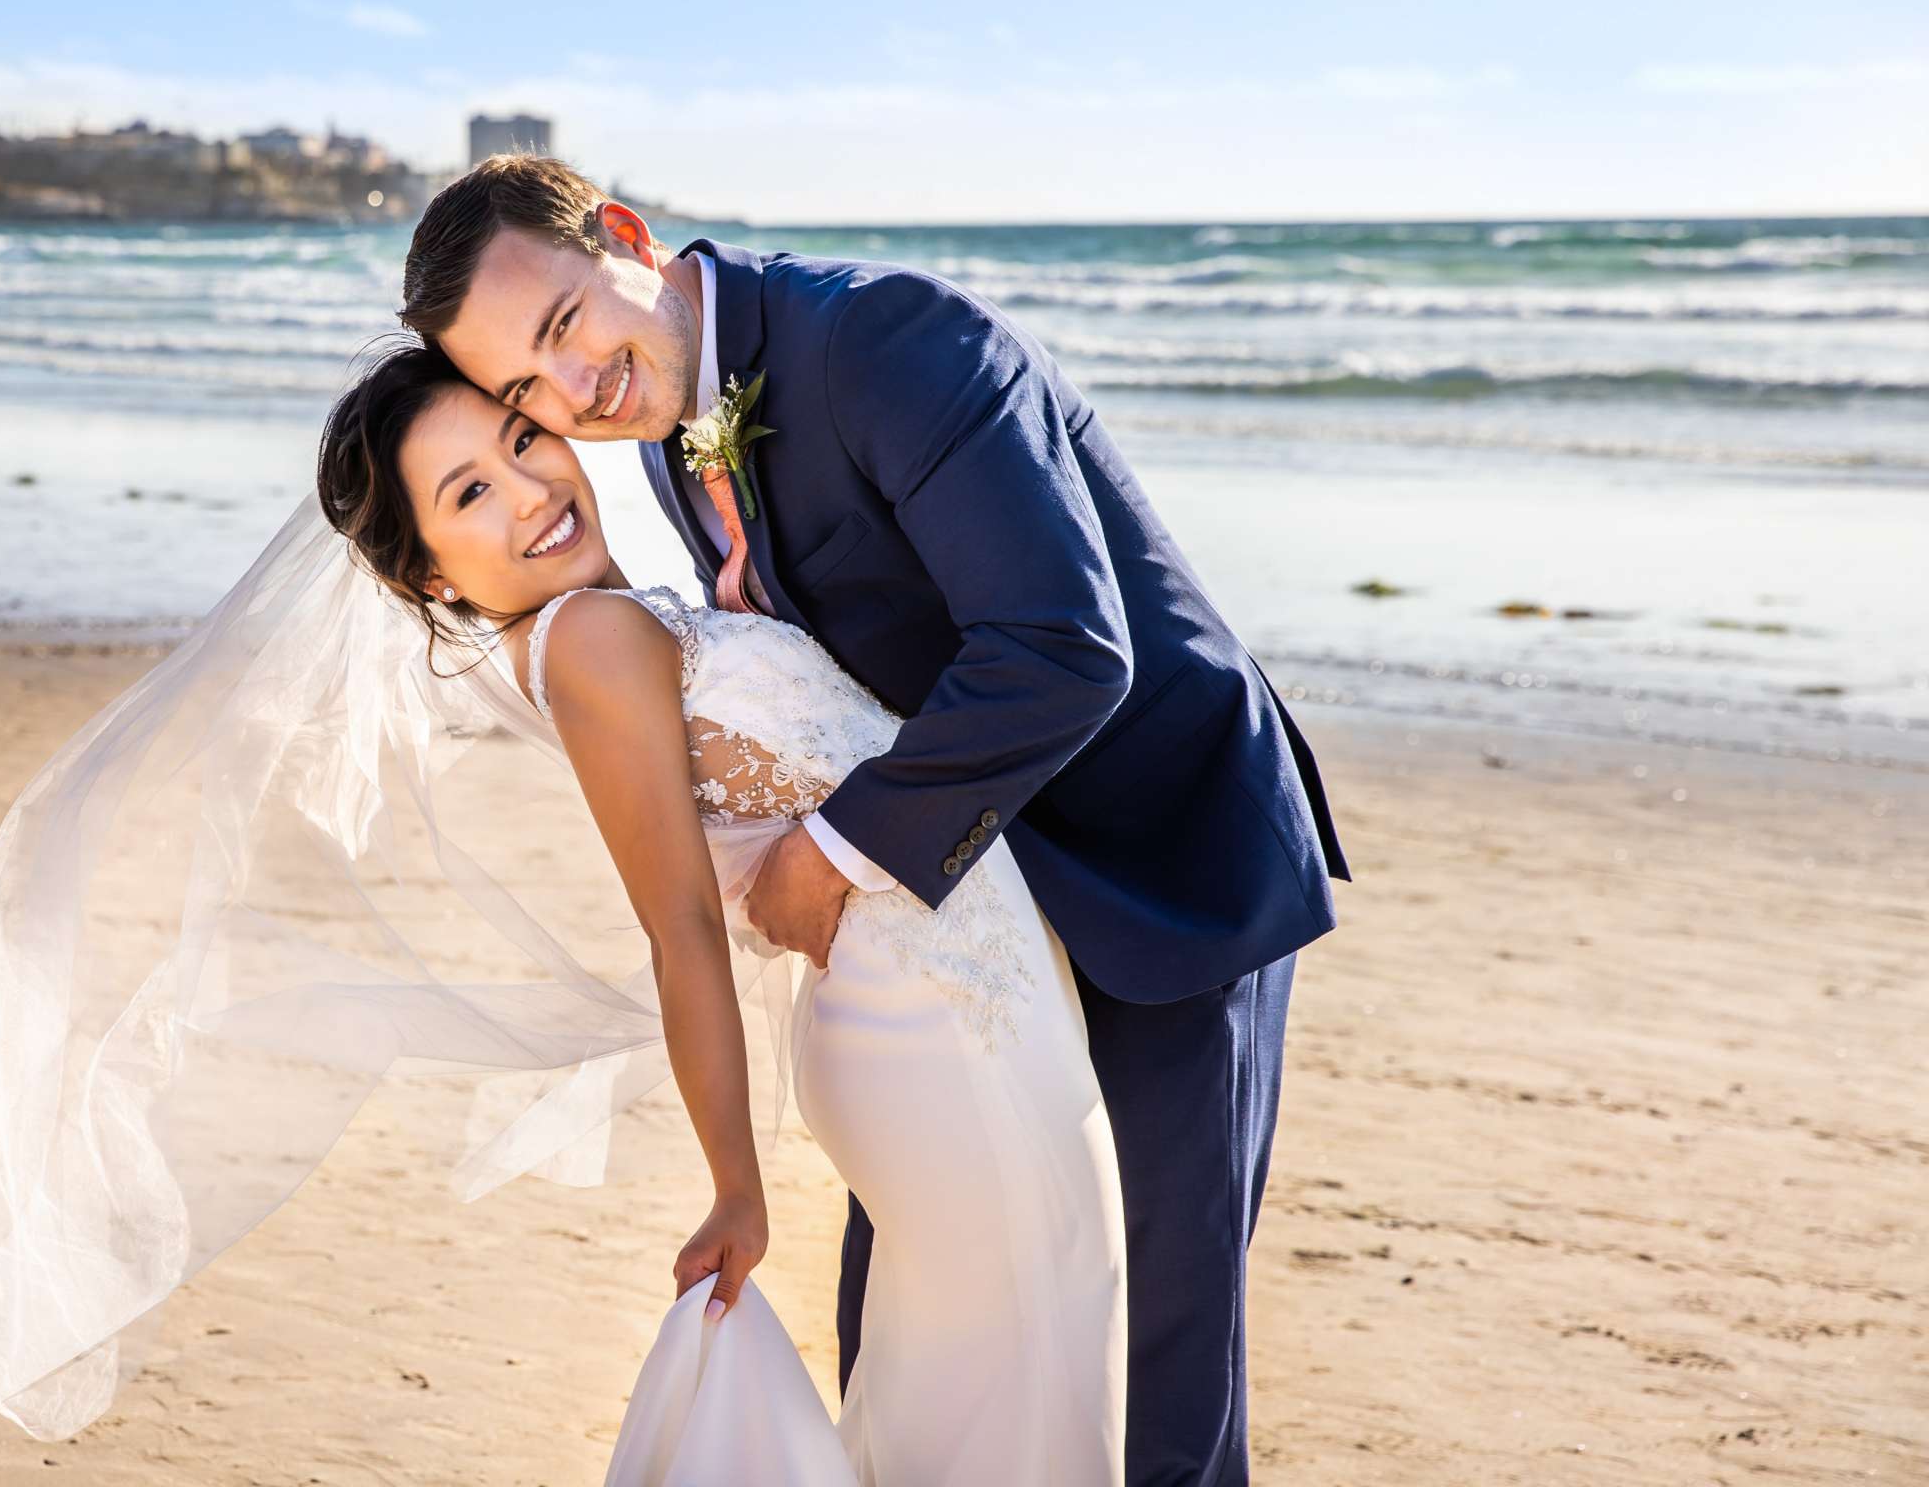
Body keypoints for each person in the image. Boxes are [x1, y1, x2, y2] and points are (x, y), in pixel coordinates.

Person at [400, 156, 1350, 1485]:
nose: (573, 393)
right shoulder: (674, 413)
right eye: (522, 389)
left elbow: (1066, 649)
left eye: (564, 327)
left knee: (1147, 1371)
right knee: (917, 1340)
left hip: (1152, 870)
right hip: (972, 927)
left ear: (625, 235)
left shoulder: (888, 339)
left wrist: (829, 851)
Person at [317, 342, 1127, 1483]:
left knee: (997, 1380)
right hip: (937, 1033)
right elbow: (680, 926)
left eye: (521, 440)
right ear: (434, 579)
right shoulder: (588, 642)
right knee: (1019, 1394)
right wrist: (735, 1188)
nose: (533, 490)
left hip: (965, 1007)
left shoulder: (610, 625)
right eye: (470, 495)